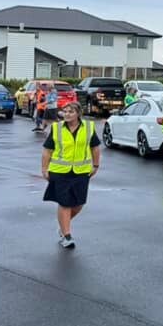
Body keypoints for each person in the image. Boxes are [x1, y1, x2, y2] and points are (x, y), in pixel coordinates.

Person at [41, 102, 101, 249]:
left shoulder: (88, 127)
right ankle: (66, 235)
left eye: (71, 112)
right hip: (60, 171)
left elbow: (95, 148)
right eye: (65, 111)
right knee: (64, 203)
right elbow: (47, 151)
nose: (67, 114)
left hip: (81, 171)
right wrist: (44, 169)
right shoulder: (57, 128)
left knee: (79, 204)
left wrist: (96, 165)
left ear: (78, 114)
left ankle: (63, 225)